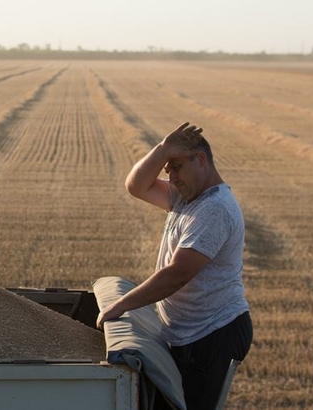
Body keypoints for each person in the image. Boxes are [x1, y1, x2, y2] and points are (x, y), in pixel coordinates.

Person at [96, 122, 252, 410]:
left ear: (201, 160)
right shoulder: (186, 196)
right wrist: (162, 150)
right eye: (168, 169)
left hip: (212, 333)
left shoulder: (214, 208)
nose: (172, 176)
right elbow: (136, 186)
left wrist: (121, 305)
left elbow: (177, 275)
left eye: (177, 167)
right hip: (190, 333)